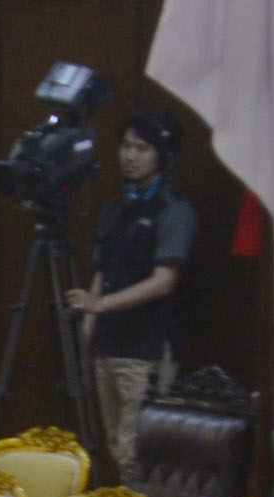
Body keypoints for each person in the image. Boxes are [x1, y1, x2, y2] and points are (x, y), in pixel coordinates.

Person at [73, 113, 200, 475]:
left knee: (139, 452)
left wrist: (100, 305)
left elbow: (164, 281)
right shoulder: (115, 208)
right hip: (108, 345)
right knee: (116, 446)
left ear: (162, 155)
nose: (130, 156)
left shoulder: (174, 210)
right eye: (126, 146)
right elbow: (102, 272)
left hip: (147, 349)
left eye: (141, 148)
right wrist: (89, 326)